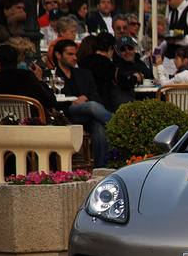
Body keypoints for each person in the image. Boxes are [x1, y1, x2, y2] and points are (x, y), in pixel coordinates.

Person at [51, 39, 114, 168]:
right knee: (91, 106)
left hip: (86, 116)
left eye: (75, 54)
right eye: (70, 54)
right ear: (58, 55)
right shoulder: (52, 75)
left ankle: (102, 170)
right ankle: (120, 127)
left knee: (99, 126)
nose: (75, 58)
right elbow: (50, 101)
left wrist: (84, 97)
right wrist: (74, 103)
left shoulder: (84, 74)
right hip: (65, 113)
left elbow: (97, 99)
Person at [77, 34, 134, 113]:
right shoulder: (105, 62)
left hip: (83, 103)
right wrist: (135, 78)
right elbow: (125, 84)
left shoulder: (81, 62)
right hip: (103, 104)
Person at [0, 44, 56, 111]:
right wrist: (40, 80)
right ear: (17, 61)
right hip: (30, 120)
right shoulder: (27, 77)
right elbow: (50, 102)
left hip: (3, 120)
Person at [113, 36, 154, 104]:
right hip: (129, 101)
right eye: (123, 49)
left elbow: (150, 78)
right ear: (118, 51)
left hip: (147, 98)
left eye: (130, 48)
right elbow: (124, 84)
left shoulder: (140, 63)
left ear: (134, 48)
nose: (127, 51)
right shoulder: (116, 66)